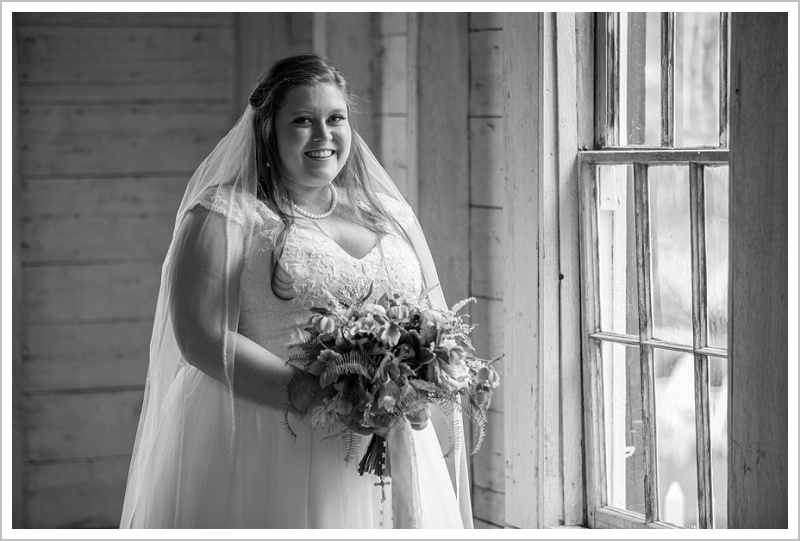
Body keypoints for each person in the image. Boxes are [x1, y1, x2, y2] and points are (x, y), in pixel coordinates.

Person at [119, 54, 473, 529]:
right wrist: (321, 398)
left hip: (393, 432)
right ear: (268, 131)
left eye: (336, 119)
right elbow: (201, 336)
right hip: (270, 440)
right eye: (303, 121)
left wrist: (422, 378)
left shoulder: (388, 214)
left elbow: (435, 315)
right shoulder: (226, 215)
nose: (324, 136)